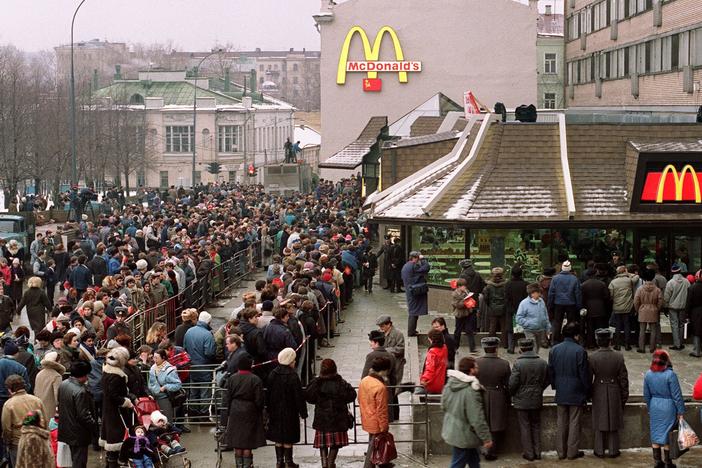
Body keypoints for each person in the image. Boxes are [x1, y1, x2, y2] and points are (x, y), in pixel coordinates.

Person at [548, 322, 590, 460]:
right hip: (576, 391)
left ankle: (561, 452)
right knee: (574, 422)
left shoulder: (554, 350)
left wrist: (555, 386)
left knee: (561, 422)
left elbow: (551, 372)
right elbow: (584, 375)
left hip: (561, 390)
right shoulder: (580, 351)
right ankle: (572, 452)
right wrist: (586, 391)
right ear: (576, 335)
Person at [440, 356, 492, 468]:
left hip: (453, 429)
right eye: (476, 367)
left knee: (473, 460)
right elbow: (477, 417)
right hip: (465, 434)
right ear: (471, 370)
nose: (478, 369)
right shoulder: (471, 390)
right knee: (458, 463)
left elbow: (443, 405)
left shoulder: (450, 384)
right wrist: (486, 438)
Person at [305, 359, 357, 468]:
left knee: (323, 444)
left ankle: (324, 463)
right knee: (335, 444)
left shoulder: (317, 382)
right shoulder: (340, 382)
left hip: (322, 418)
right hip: (338, 419)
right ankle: (330, 462)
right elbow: (352, 395)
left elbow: (309, 397)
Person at [588, 328, 629, 458]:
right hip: (614, 389)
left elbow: (588, 378)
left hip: (598, 389)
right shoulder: (618, 356)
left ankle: (599, 450)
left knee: (599, 421)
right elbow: (623, 379)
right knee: (614, 421)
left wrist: (588, 394)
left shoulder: (592, 357)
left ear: (597, 340)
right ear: (610, 340)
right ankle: (613, 450)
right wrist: (624, 395)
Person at [508, 338, 550, 462]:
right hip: (536, 398)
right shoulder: (542, 362)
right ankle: (537, 452)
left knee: (525, 426)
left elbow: (512, 383)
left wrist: (513, 394)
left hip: (521, 400)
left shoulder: (518, 364)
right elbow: (548, 379)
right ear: (532, 348)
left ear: (521, 349)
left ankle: (529, 453)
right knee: (536, 425)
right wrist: (539, 389)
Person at [221, 356, 266, 468]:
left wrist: (227, 412)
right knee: (247, 442)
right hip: (250, 410)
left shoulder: (232, 378)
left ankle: (239, 465)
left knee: (237, 441)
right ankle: (247, 465)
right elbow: (259, 400)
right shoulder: (255, 379)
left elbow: (227, 398)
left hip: (235, 410)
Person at [266, 348, 307, 468]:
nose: (295, 362)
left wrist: (268, 409)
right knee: (288, 438)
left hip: (275, 411)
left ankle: (279, 462)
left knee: (278, 437)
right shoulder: (293, 376)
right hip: (290, 411)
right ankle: (289, 461)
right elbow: (298, 396)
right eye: (293, 360)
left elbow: (268, 393)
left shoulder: (273, 374)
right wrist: (303, 412)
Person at [643, 350, 685, 468]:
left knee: (655, 434)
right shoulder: (670, 375)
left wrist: (649, 407)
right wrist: (681, 411)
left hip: (654, 405)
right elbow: (677, 396)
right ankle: (668, 463)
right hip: (669, 407)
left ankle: (657, 462)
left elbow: (646, 395)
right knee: (668, 435)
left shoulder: (648, 374)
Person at [475, 337, 510, 461]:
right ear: (496, 348)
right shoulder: (504, 364)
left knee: (483, 422)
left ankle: (484, 449)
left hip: (481, 394)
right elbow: (508, 384)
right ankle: (492, 451)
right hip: (498, 395)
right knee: (496, 425)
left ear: (484, 348)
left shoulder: (477, 362)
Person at [1, 375, 46, 467]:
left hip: (18, 442)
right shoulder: (37, 400)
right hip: (37, 439)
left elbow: (6, 428)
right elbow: (44, 421)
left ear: (10, 389)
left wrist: (7, 442)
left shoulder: (9, 404)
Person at [100, 347, 133, 468]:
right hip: (116, 413)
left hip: (109, 411)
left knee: (111, 445)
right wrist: (126, 401)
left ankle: (109, 464)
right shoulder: (116, 376)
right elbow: (114, 396)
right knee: (115, 443)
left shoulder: (107, 372)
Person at [358, 356, 392, 468]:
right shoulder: (380, 387)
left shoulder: (364, 381)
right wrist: (384, 427)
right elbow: (381, 410)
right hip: (376, 422)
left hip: (366, 418)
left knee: (372, 445)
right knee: (373, 449)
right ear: (383, 370)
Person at [183, 311, 216, 417]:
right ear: (208, 322)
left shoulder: (189, 332)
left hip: (191, 366)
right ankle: (203, 413)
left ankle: (192, 412)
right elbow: (209, 353)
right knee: (205, 392)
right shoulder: (207, 335)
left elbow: (185, 348)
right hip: (204, 367)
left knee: (193, 390)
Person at [376, 315, 405, 420]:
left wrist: (387, 350)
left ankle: (395, 415)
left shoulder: (398, 334)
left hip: (396, 366)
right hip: (385, 367)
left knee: (393, 390)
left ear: (389, 324)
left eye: (382, 326)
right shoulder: (381, 334)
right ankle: (389, 414)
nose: (381, 328)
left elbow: (401, 349)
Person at [547, 261, 582, 344]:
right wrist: (579, 306)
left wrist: (550, 305)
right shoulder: (574, 279)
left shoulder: (555, 278)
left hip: (558, 303)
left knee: (557, 322)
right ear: (570, 269)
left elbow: (551, 293)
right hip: (571, 303)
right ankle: (570, 339)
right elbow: (577, 293)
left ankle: (555, 341)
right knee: (571, 323)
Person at [581, 267, 612, 349]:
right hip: (600, 307)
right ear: (595, 274)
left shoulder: (584, 285)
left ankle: (590, 343)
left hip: (589, 308)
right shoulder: (602, 284)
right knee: (600, 327)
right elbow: (606, 296)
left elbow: (582, 298)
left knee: (590, 327)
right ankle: (600, 343)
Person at [634, 267, 663, 354]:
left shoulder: (640, 289)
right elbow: (660, 301)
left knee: (642, 330)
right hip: (653, 309)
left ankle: (641, 347)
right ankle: (652, 348)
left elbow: (636, 301)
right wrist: (657, 308)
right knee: (653, 330)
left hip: (642, 309)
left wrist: (638, 309)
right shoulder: (657, 290)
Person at [148, 349, 182, 422]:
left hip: (164, 398)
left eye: (157, 358)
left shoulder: (170, 370)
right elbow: (150, 382)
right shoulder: (152, 368)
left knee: (166, 420)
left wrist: (166, 387)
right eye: (154, 357)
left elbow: (178, 384)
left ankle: (169, 432)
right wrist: (150, 393)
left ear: (163, 358)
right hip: (153, 398)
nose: (154, 360)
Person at [401, 251, 430, 337]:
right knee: (413, 312)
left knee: (414, 311)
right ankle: (411, 332)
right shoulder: (414, 266)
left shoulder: (406, 266)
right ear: (415, 258)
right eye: (418, 258)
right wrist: (423, 259)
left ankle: (412, 330)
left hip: (410, 291)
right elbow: (426, 268)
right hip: (414, 292)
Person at [515, 283, 551, 353]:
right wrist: (528, 324)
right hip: (529, 330)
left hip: (540, 329)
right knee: (533, 347)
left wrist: (548, 326)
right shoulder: (524, 303)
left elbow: (545, 314)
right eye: (538, 292)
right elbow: (519, 317)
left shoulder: (541, 301)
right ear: (532, 293)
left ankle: (530, 356)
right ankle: (532, 360)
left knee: (537, 347)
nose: (540, 294)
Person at [609, 265, 638, 350]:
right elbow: (637, 276)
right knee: (627, 325)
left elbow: (611, 295)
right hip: (627, 307)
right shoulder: (629, 280)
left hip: (617, 307)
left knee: (617, 326)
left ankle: (617, 344)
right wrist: (627, 273)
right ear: (624, 271)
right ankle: (627, 344)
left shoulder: (613, 282)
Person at [664, 264, 690, 351]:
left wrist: (665, 306)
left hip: (673, 307)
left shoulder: (670, 282)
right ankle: (681, 343)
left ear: (672, 272)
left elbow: (666, 296)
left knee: (674, 325)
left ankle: (676, 344)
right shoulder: (686, 282)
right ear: (680, 271)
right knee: (681, 325)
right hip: (683, 306)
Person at [504, 267, 528, 354]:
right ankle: (523, 348)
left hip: (512, 310)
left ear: (512, 274)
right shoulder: (526, 284)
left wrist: (511, 309)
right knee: (523, 329)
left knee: (511, 330)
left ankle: (511, 347)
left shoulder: (508, 284)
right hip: (524, 310)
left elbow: (506, 299)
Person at [35, 351, 65, 419]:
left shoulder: (39, 374)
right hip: (51, 409)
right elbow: (57, 395)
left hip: (39, 406)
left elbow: (35, 391)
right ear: (57, 361)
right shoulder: (56, 376)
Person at [418, 329, 448, 394]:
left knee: (416, 392)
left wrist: (424, 379)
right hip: (441, 382)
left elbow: (430, 368)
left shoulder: (432, 352)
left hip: (431, 384)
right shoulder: (444, 348)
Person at [452, 278, 478, 352]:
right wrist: (465, 301)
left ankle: (472, 348)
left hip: (467, 313)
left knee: (469, 330)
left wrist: (470, 301)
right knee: (458, 331)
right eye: (463, 286)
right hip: (459, 315)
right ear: (459, 286)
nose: (465, 287)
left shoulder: (467, 292)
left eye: (465, 286)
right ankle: (455, 347)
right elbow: (457, 305)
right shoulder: (455, 294)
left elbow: (469, 300)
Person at [484, 267, 507, 345]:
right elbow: (507, 296)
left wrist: (490, 305)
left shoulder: (488, 286)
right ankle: (505, 343)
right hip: (503, 308)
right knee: (504, 326)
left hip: (492, 307)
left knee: (492, 326)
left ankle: (491, 343)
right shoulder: (506, 285)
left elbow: (485, 298)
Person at [686, 270, 702, 357]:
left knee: (696, 331)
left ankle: (696, 350)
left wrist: (686, 314)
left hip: (696, 312)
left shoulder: (692, 288)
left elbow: (689, 302)